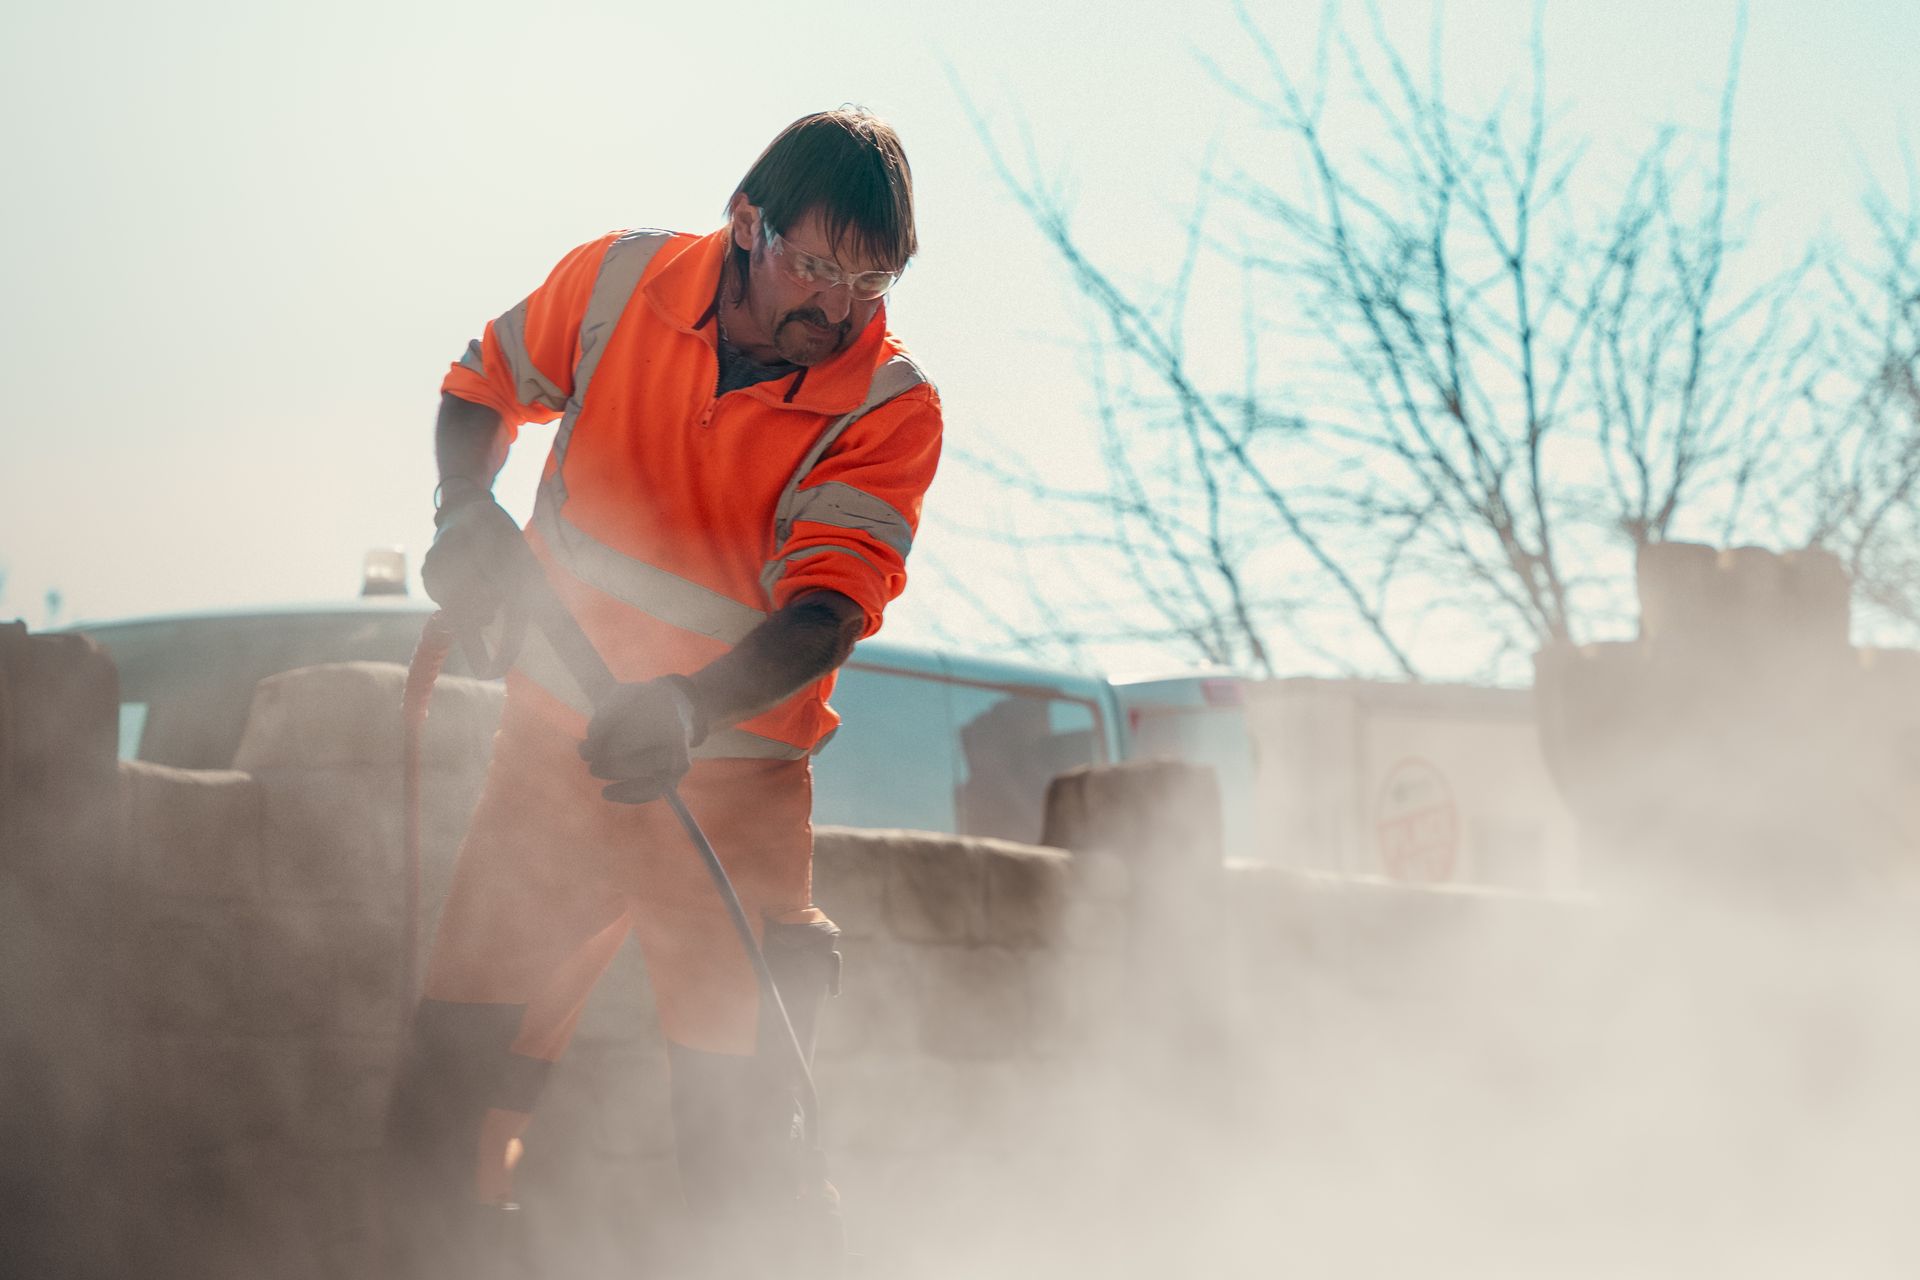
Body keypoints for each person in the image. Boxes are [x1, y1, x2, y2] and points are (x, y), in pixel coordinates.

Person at [379, 108, 941, 1280]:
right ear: (749, 222)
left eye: (872, 277)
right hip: (551, 763)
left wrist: (686, 707)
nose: (841, 307)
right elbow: (483, 385)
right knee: (449, 1093)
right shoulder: (618, 281)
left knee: (739, 1151)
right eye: (820, 266)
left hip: (728, 799)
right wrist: (463, 508)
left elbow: (828, 609)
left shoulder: (886, 406)